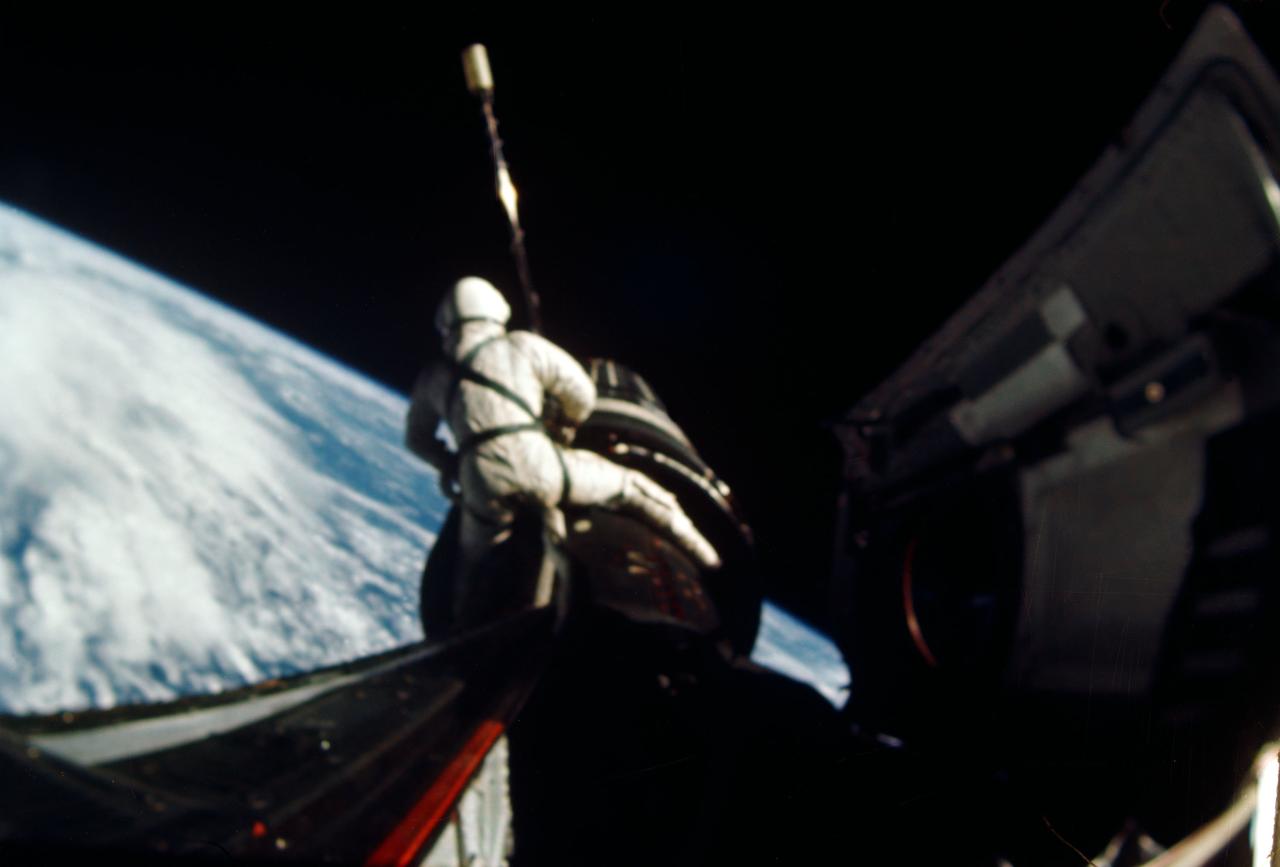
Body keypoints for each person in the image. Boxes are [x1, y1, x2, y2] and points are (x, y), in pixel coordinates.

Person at [405, 277, 721, 616]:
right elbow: (581, 391)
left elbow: (416, 440)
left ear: (446, 324)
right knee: (632, 489)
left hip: (481, 480)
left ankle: (461, 625)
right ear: (495, 311)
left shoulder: (433, 376)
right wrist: (566, 424)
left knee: (474, 563)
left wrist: (449, 463)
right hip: (541, 465)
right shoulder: (520, 346)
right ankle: (710, 560)